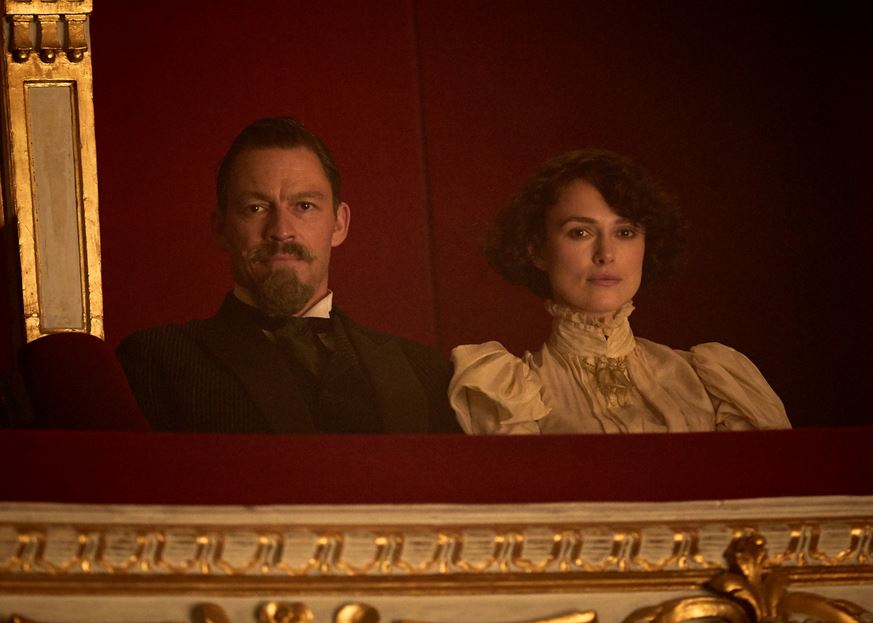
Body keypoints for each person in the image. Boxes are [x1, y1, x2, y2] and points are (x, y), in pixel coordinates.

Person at [117, 117, 459, 434]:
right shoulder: (154, 363)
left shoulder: (427, 372)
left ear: (339, 224)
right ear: (221, 228)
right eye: (256, 208)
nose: (281, 231)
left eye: (304, 206)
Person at [449, 149, 790, 434]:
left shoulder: (712, 380)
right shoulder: (507, 390)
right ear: (538, 250)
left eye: (625, 232)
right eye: (580, 232)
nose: (606, 254)